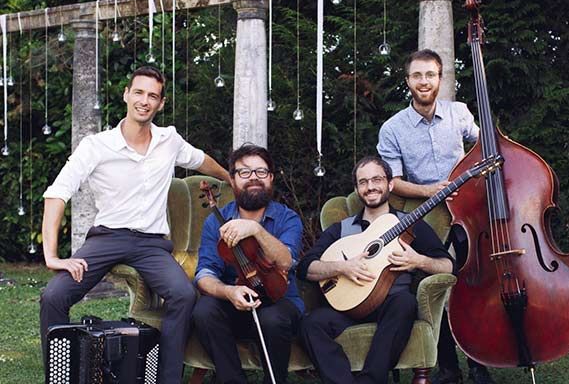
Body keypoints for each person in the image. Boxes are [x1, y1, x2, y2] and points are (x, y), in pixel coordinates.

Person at [40, 66, 230, 384]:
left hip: (152, 244)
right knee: (53, 296)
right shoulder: (96, 145)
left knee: (183, 294)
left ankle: (166, 379)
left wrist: (230, 178)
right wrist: (52, 256)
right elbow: (57, 194)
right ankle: (61, 378)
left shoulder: (169, 140)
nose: (144, 101)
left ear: (161, 103)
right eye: (139, 92)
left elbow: (201, 160)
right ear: (126, 95)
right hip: (106, 238)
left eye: (152, 96)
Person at [377, 49, 494, 384]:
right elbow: (393, 181)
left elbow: (485, 144)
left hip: (467, 212)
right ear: (407, 81)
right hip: (425, 215)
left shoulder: (459, 113)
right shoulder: (392, 128)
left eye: (430, 74)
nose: (424, 81)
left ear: (440, 79)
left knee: (471, 284)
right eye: (417, 75)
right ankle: (447, 367)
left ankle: (478, 364)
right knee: (432, 288)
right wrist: (429, 190)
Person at [297, 156, 455, 384]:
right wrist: (343, 267)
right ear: (357, 189)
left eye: (377, 179)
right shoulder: (340, 229)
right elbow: (305, 267)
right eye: (363, 182)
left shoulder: (410, 224)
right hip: (347, 309)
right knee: (310, 324)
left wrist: (418, 261)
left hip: (391, 307)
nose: (370, 186)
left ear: (390, 184)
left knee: (405, 303)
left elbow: (448, 266)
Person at [191, 144, 304, 384]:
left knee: (272, 319)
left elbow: (286, 261)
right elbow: (205, 274)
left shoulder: (287, 218)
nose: (253, 177)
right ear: (232, 180)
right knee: (204, 310)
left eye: (261, 171)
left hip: (279, 302)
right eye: (244, 172)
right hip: (236, 303)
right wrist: (229, 292)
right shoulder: (215, 222)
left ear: (271, 178)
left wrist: (256, 229)